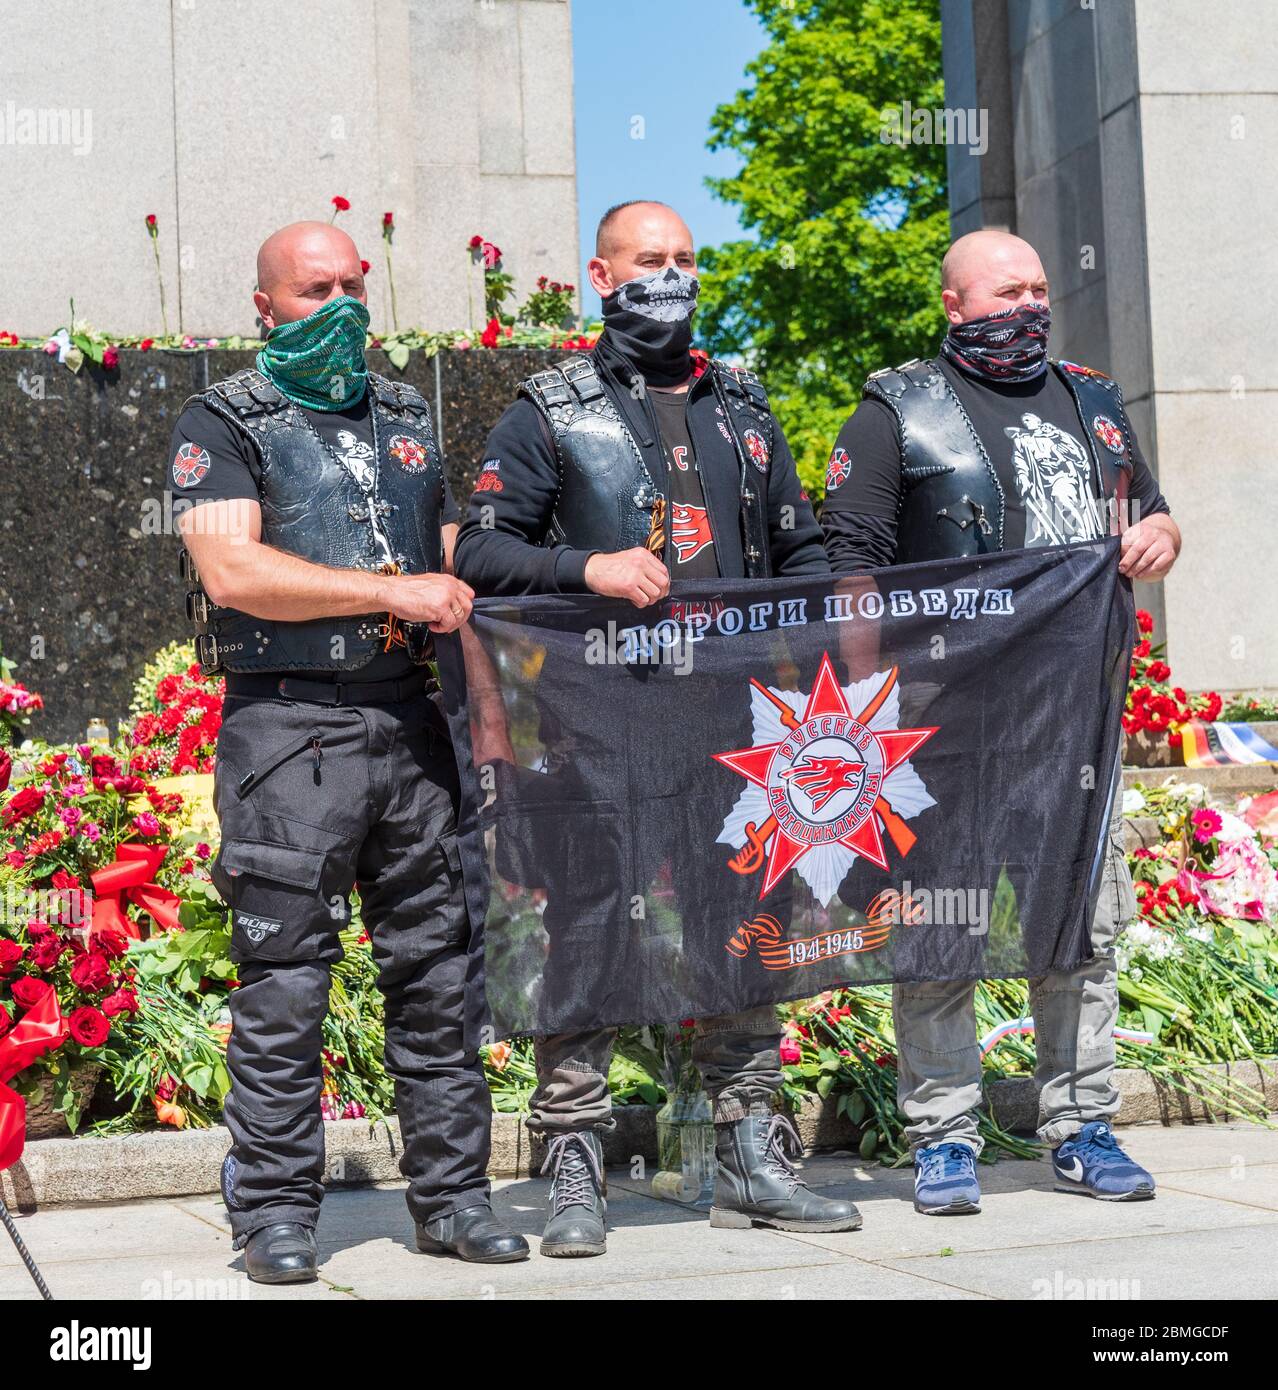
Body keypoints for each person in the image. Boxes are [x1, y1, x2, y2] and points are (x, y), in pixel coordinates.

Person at [455, 200, 859, 1257]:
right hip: (590, 728)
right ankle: (575, 1165)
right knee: (588, 932)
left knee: (742, 931)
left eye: (685, 260)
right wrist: (584, 568)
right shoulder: (547, 411)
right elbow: (482, 554)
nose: (669, 278)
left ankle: (756, 1156)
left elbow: (804, 551)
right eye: (648, 262)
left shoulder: (745, 407)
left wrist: (827, 655)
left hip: (732, 725)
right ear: (601, 274)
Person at [173, 220, 527, 1281]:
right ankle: (277, 1216)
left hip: (409, 723)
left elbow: (448, 563)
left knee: (439, 973)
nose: (340, 306)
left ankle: (454, 1200)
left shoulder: (407, 412)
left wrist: (505, 683)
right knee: (284, 981)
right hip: (289, 731)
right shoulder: (222, 418)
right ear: (265, 306)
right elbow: (232, 569)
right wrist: (389, 593)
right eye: (313, 289)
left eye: (353, 285)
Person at [821, 228, 1181, 1215]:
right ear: (953, 303)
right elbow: (848, 566)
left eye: (1039, 288)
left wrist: (1158, 532)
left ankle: (1084, 1126)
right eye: (1006, 291)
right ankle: (944, 1138)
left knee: (1081, 930)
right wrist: (862, 712)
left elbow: (1152, 512)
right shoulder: (895, 409)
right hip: (947, 724)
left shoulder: (1093, 399)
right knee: (943, 932)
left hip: (1076, 721)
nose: (1029, 305)